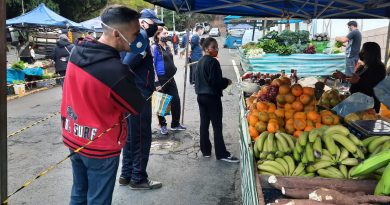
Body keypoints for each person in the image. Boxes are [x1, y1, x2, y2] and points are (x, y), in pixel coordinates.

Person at [61, 5, 146, 204]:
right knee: (98, 200)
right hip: (99, 146)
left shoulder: (77, 50)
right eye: (134, 34)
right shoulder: (115, 71)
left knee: (79, 193)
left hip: (74, 136)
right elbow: (136, 107)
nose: (137, 40)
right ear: (117, 33)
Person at [119, 8, 163, 190]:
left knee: (130, 137)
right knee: (141, 137)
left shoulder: (128, 36)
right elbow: (127, 64)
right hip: (138, 97)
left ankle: (126, 174)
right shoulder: (142, 36)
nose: (157, 28)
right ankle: (138, 178)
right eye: (154, 24)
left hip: (130, 96)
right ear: (143, 22)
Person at [195, 37, 239, 163]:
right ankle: (222, 154)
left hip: (201, 97)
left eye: (216, 47)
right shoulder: (213, 62)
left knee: (204, 124)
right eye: (213, 47)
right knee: (217, 126)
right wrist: (226, 81)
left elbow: (197, 81)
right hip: (211, 97)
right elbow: (215, 82)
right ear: (206, 49)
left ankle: (206, 151)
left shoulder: (200, 62)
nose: (216, 49)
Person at [333, 42, 386, 113]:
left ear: (371, 53)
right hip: (357, 102)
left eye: (364, 52)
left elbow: (374, 86)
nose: (361, 54)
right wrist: (343, 77)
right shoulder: (363, 66)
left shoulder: (379, 68)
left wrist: (358, 82)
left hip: (369, 105)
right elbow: (355, 79)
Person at [152, 27, 186, 135]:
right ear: (158, 35)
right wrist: (156, 82)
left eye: (167, 33)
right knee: (161, 103)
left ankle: (175, 124)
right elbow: (152, 65)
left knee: (176, 100)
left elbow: (170, 60)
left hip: (171, 78)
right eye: (164, 33)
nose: (167, 35)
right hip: (160, 79)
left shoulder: (167, 47)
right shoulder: (154, 48)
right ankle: (162, 125)